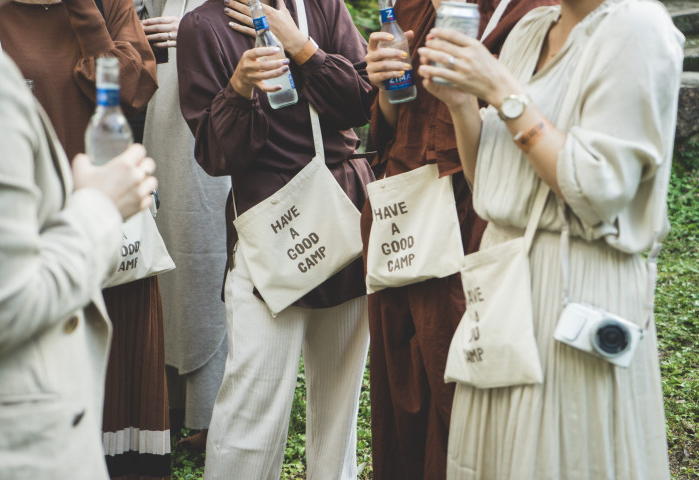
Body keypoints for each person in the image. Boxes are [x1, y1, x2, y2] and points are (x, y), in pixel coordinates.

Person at [417, 0, 684, 477]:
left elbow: (597, 189)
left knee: (558, 457)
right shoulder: (533, 28)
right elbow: (491, 180)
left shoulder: (636, 26)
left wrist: (502, 90)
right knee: (495, 459)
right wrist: (461, 103)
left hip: (572, 284)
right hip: (503, 279)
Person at [176, 0, 374, 477]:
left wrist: (302, 47)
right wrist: (240, 88)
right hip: (269, 225)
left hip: (344, 210)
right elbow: (218, 156)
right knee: (252, 403)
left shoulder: (321, 6)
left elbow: (362, 101)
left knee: (340, 405)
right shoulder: (202, 25)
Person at [361, 0, 554, 478]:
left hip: (477, 226)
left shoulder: (535, 14)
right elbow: (393, 127)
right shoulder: (409, 7)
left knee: (464, 396)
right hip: (404, 219)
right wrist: (386, 87)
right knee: (402, 394)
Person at [0, 1, 170, 479]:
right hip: (36, 230)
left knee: (116, 377)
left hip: (115, 233)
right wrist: (98, 206)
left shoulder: (106, 5)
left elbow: (132, 88)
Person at [139, 0, 233, 451]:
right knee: (168, 251)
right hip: (160, 120)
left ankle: (211, 413)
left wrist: (200, 30)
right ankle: (171, 402)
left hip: (215, 123)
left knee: (208, 252)